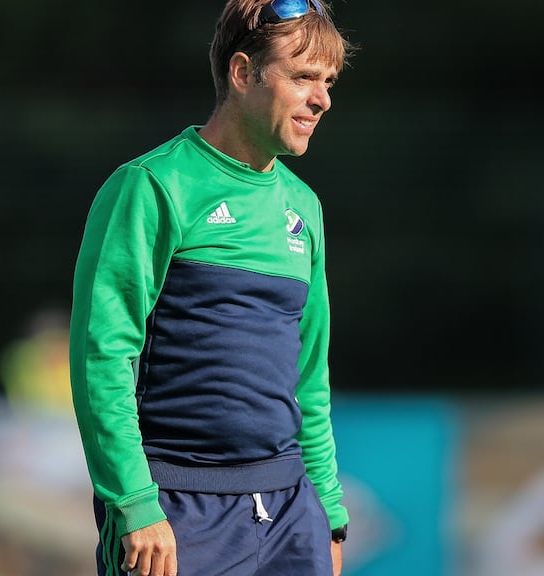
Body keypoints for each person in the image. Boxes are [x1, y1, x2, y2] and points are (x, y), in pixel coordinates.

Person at [68, 1, 355, 574]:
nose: (321, 99)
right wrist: (134, 503)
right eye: (302, 78)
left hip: (291, 513)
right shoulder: (153, 185)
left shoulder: (304, 207)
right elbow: (102, 356)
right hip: (175, 512)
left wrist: (329, 512)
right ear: (243, 73)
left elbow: (310, 376)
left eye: (326, 83)